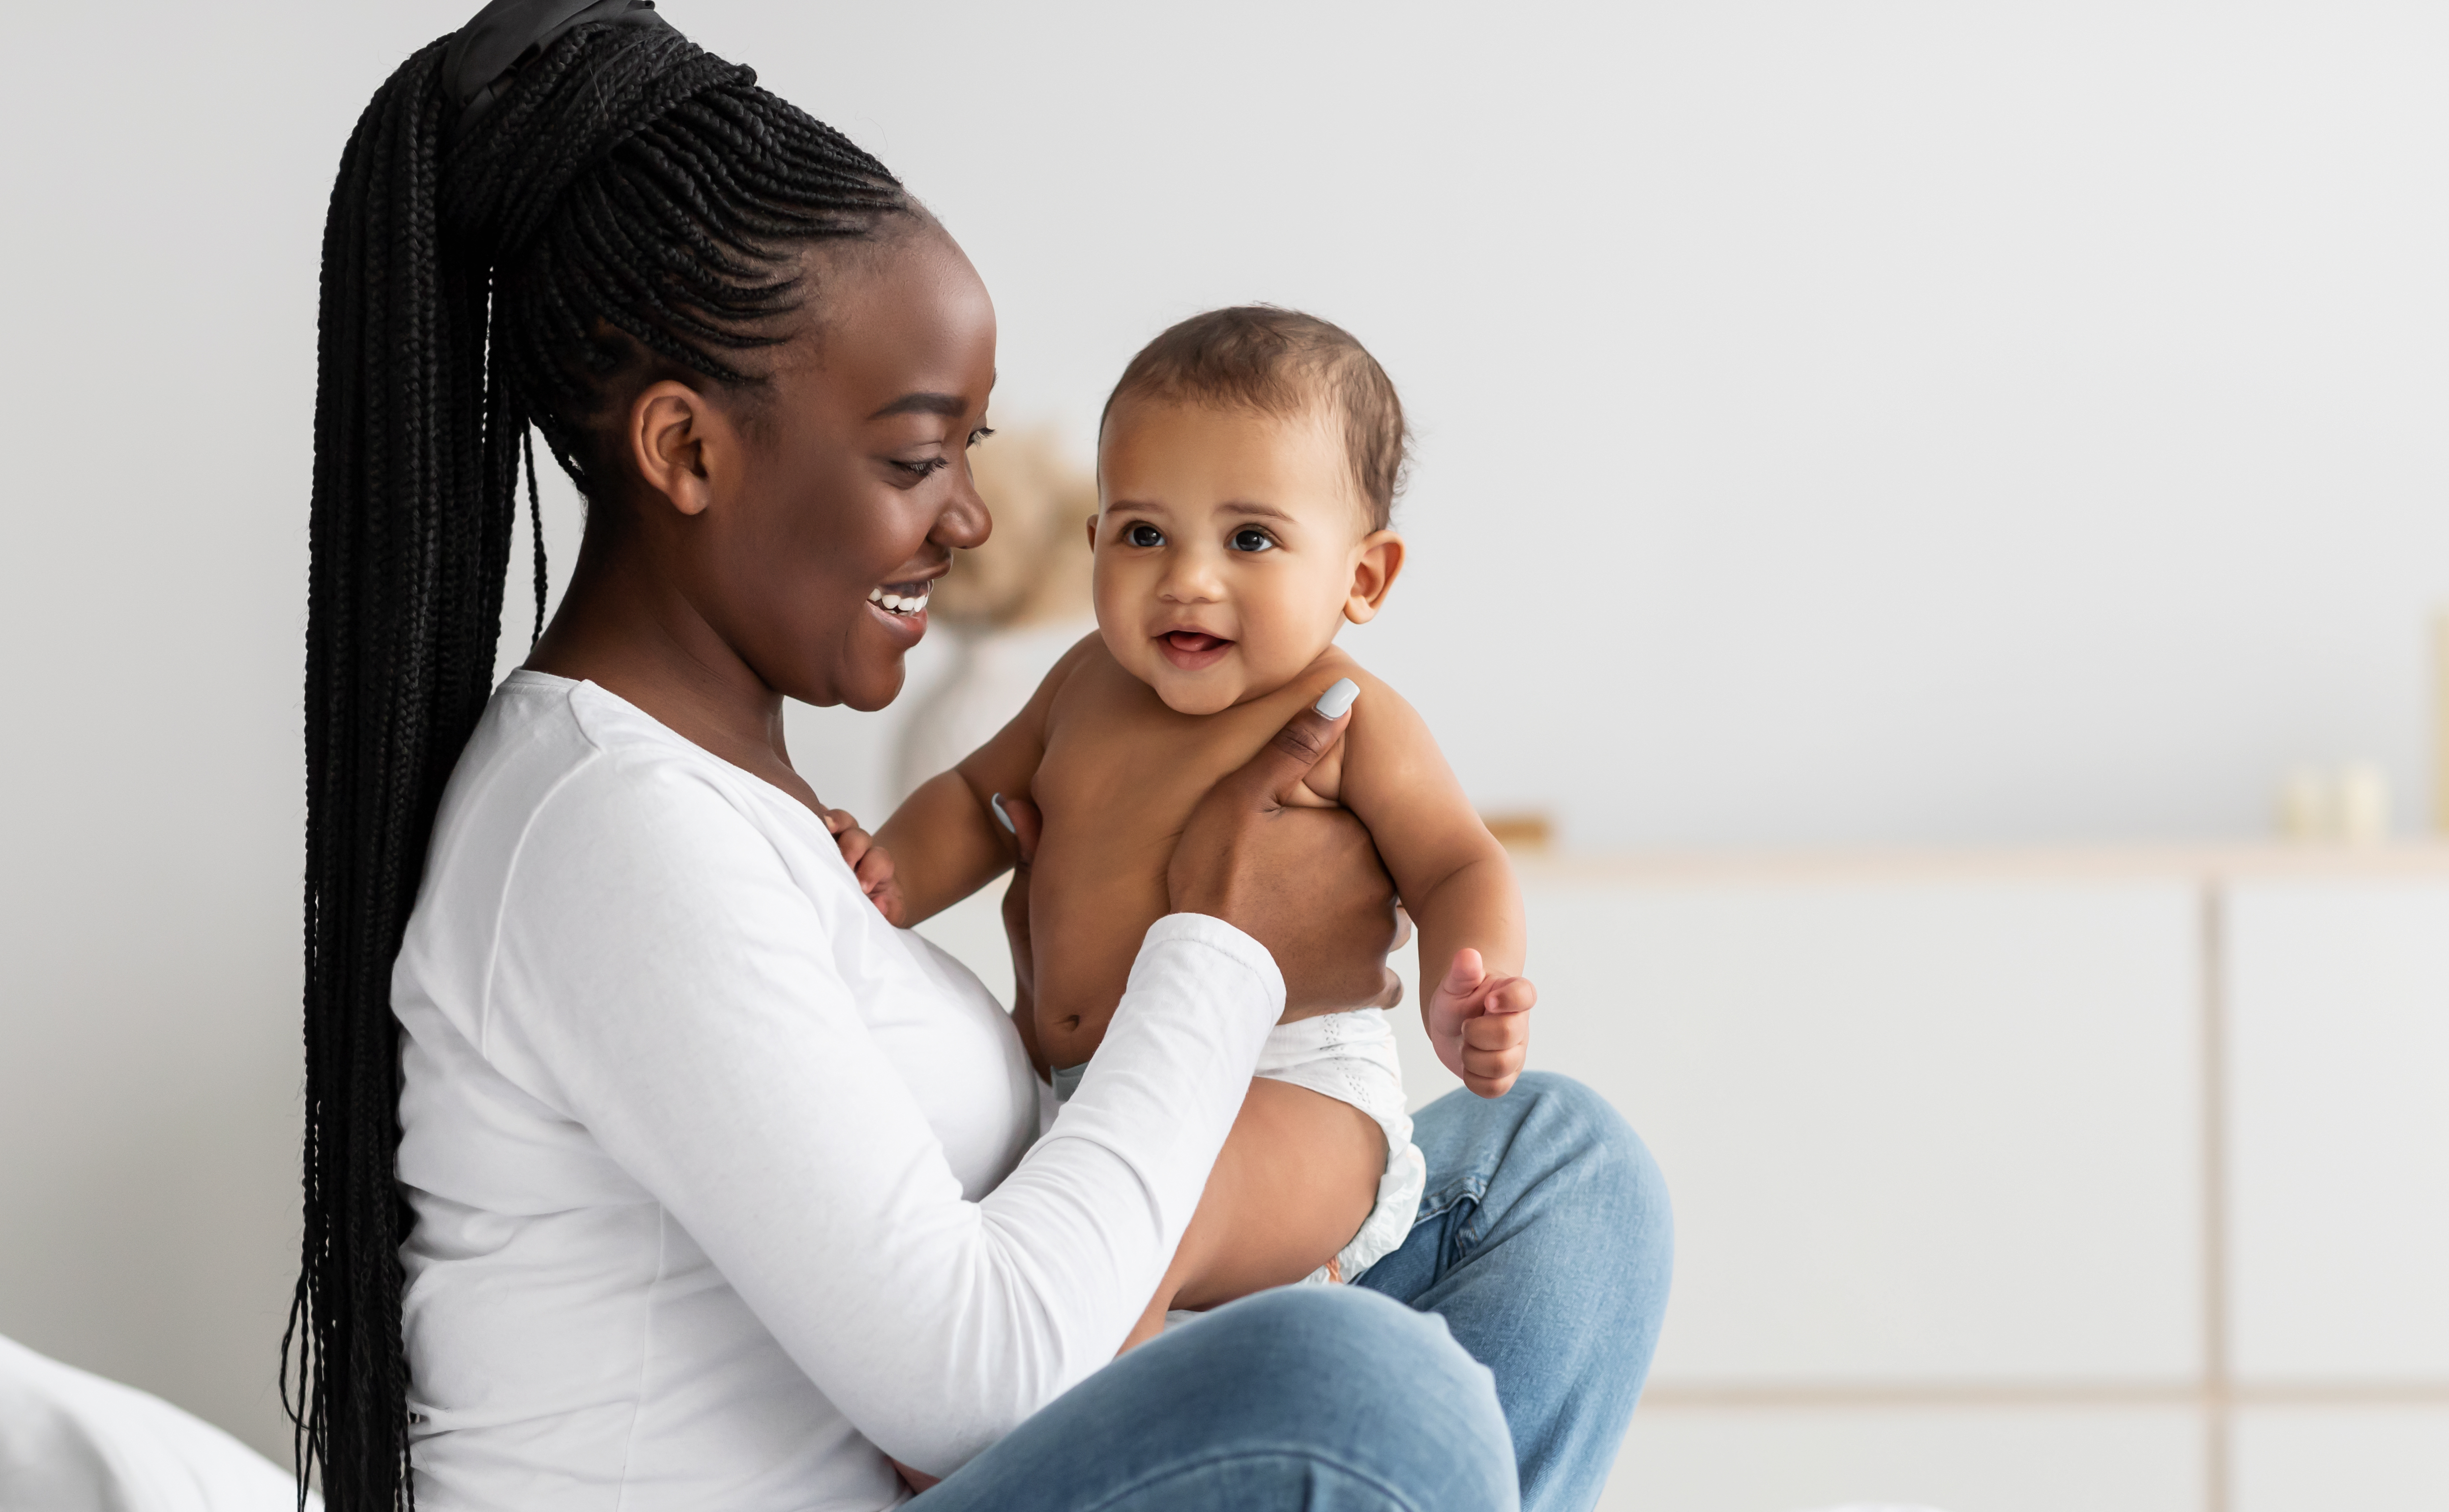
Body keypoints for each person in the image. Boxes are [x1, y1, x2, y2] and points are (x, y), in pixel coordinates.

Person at [289, 2, 1674, 1510]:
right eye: (913, 456)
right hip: (947, 1433)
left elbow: (1442, 869)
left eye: (971, 449)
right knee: (1370, 1399)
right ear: (685, 451)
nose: (969, 518)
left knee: (1557, 1169)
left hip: (1071, 1330)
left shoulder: (715, 799)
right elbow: (968, 1390)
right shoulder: (609, 830)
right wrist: (1219, 944)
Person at [861, 307, 1534, 1348]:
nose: (1187, 576)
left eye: (1250, 538)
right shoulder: (1082, 682)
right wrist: (879, 878)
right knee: (1003, 1227)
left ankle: (1037, 1415)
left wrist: (1468, 986)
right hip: (1088, 1101)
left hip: (1293, 1096)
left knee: (1161, 1209)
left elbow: (1455, 860)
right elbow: (970, 799)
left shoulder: (1347, 715)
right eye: (1143, 533)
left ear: (1363, 576)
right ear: (1095, 543)